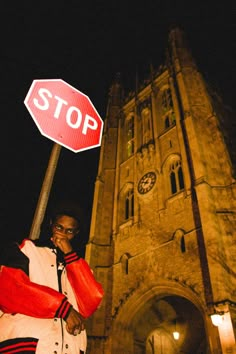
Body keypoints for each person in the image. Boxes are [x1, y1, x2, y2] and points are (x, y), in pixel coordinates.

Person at [0, 200, 104, 354]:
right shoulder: (27, 249)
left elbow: (91, 301)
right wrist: (63, 309)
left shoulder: (80, 266)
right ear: (51, 225)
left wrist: (70, 255)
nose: (62, 234)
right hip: (27, 346)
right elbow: (10, 289)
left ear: (76, 234)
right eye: (59, 227)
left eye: (69, 231)